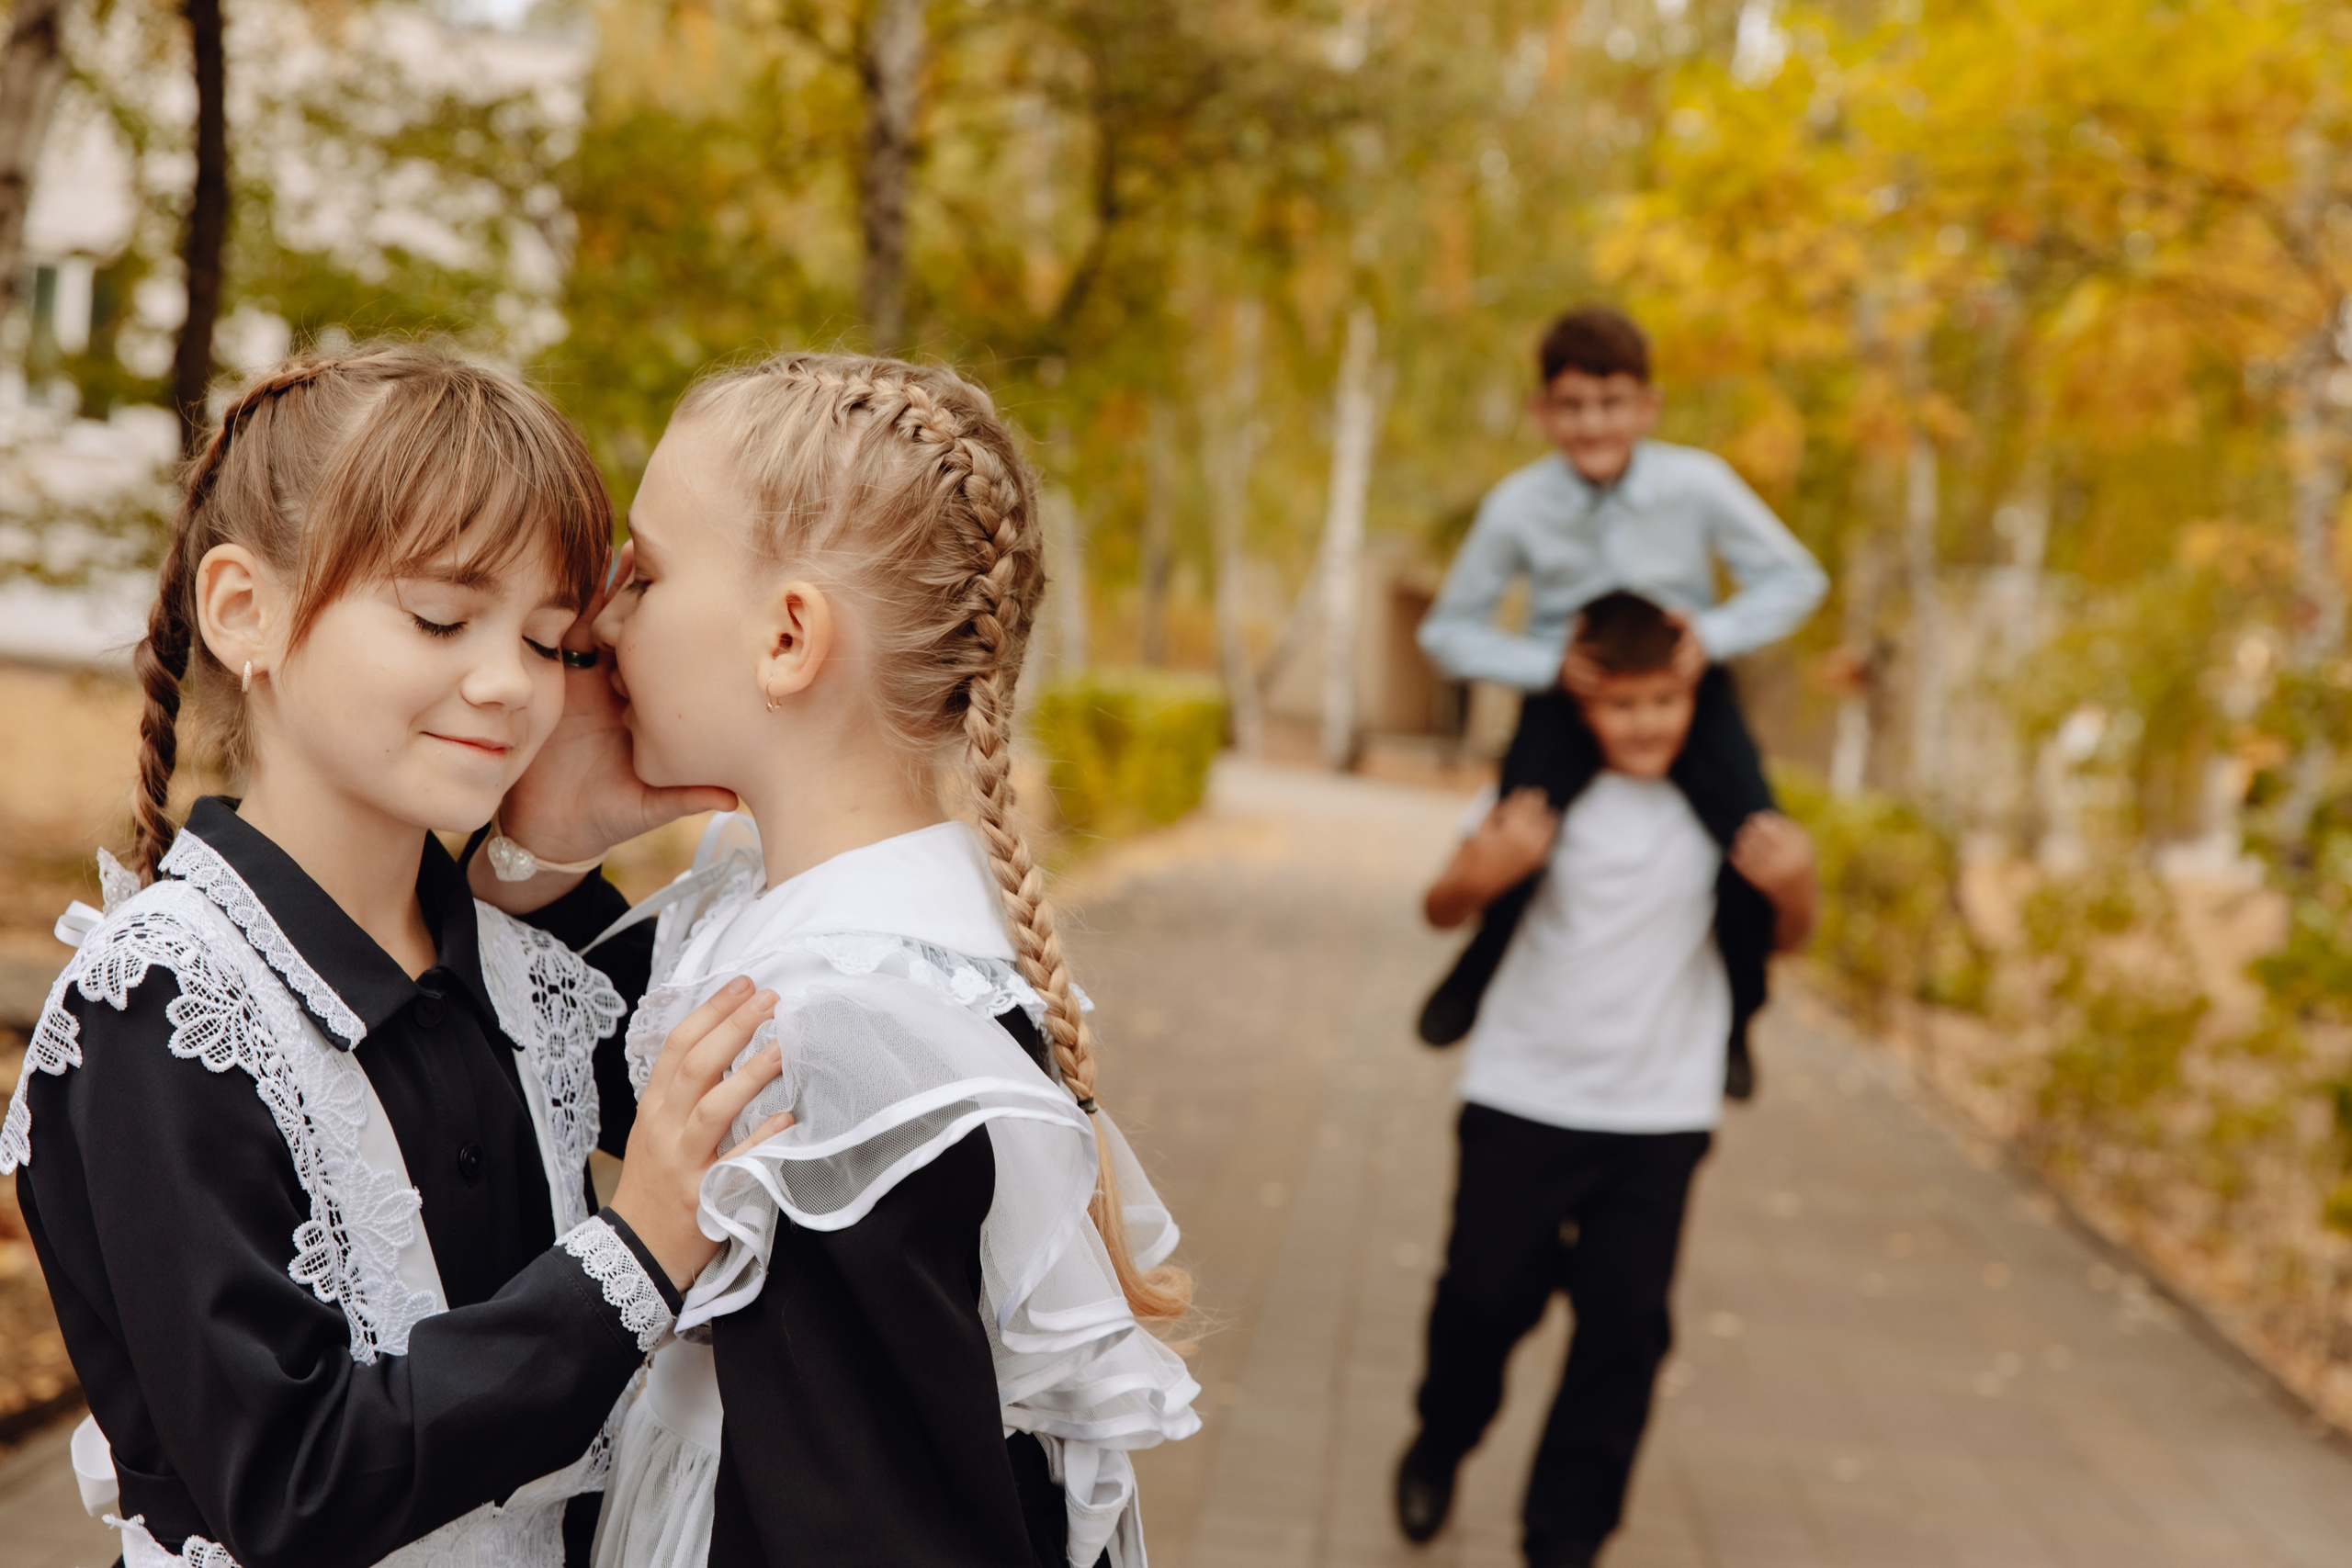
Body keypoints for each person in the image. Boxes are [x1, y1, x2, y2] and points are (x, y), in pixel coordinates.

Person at [4, 345, 787, 1568]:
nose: (506, 682)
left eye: (545, 638)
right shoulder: (160, 1001)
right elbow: (287, 1477)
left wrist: (545, 844)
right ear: (242, 610)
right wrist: (630, 1260)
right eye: (440, 615)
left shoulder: (532, 961)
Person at [470, 353, 1200, 1568]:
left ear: (790, 634)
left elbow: (871, 1516)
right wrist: (547, 833)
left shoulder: (836, 1025)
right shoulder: (795, 930)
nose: (596, 623)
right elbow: (518, 1032)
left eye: (642, 573)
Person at [1395, 593, 1819, 1568]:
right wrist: (1488, 868)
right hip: (1521, 1096)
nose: (1645, 724)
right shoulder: (1540, 794)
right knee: (1481, 1304)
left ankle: (1565, 1538)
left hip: (1659, 1113)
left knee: (1624, 1333)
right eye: (1621, 704)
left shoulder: (1723, 804)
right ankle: (1441, 1440)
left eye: (1666, 701)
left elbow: (1785, 936)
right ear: (1579, 698)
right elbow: (1438, 906)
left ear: (1696, 696)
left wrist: (1798, 887)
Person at [1413, 306, 1826, 1061]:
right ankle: (1476, 969)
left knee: (1748, 838)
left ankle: (1738, 1014)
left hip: (1684, 690)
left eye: (1610, 404)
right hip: (1568, 693)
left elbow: (1796, 578)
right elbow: (1447, 630)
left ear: (1647, 406)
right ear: (1542, 412)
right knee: (1521, 830)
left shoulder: (1698, 484)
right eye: (1571, 406)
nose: (1592, 423)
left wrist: (1712, 636)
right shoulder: (1518, 505)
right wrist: (1545, 665)